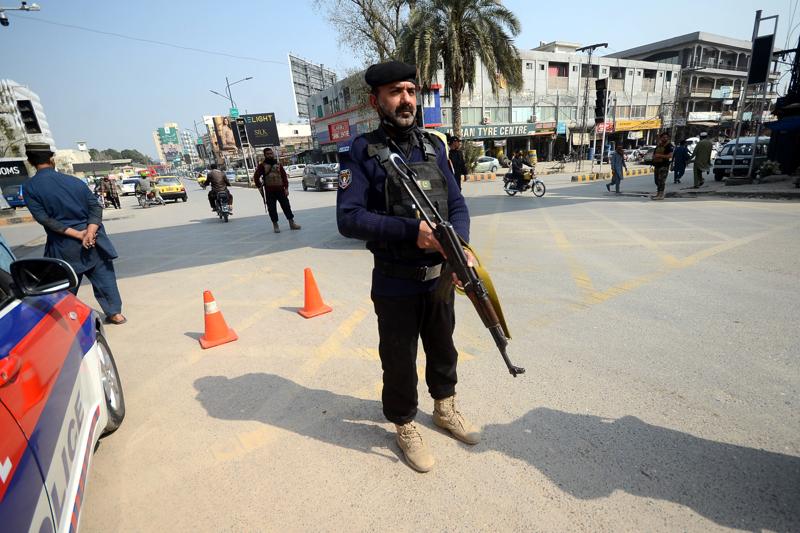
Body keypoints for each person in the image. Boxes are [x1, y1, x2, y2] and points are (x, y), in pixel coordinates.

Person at [336, 60, 478, 473]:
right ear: (376, 100)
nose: (406, 100)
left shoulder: (434, 146)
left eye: (411, 91)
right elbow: (349, 218)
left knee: (443, 347)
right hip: (394, 282)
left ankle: (445, 408)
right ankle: (404, 424)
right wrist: (411, 231)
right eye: (396, 92)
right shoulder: (361, 151)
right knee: (398, 359)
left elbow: (457, 205)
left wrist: (460, 248)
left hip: (439, 279)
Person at [23, 143, 126, 325]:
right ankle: (115, 314)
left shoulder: (30, 187)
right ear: (52, 159)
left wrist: (79, 235)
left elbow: (45, 219)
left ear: (30, 162)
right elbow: (95, 207)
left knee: (64, 286)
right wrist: (90, 232)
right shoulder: (74, 181)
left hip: (64, 245)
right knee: (104, 277)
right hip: (94, 241)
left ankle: (66, 320)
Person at [253, 147, 301, 233]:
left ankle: (292, 223)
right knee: (272, 209)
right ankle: (275, 225)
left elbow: (284, 177)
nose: (270, 155)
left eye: (271, 153)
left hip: (280, 190)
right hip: (269, 191)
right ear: (265, 155)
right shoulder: (262, 166)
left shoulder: (278, 164)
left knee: (286, 206)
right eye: (268, 154)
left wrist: (286, 188)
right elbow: (256, 177)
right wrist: (259, 186)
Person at [651, 132, 673, 201]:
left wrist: (660, 156)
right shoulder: (659, 145)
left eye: (666, 137)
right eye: (663, 137)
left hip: (664, 165)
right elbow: (654, 154)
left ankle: (661, 195)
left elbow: (670, 155)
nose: (665, 138)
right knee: (657, 181)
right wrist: (654, 157)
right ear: (661, 138)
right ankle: (658, 194)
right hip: (657, 165)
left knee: (661, 181)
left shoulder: (669, 146)